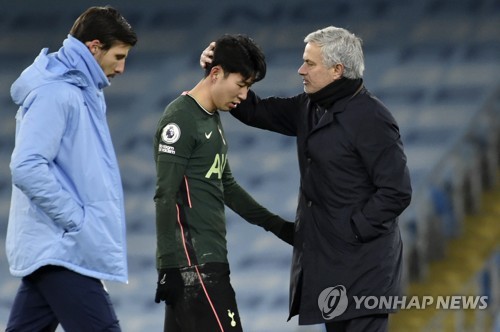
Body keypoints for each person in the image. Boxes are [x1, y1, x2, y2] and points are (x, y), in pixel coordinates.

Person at [201, 26, 412, 332]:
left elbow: (396, 191)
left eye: (310, 63)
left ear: (337, 69)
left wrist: (351, 230)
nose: (301, 70)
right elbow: (254, 110)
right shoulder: (309, 107)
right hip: (330, 267)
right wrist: (215, 68)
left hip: (366, 269)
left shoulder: (372, 118)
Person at [6, 6, 137, 331]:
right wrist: (77, 222)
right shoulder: (58, 93)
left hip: (58, 248)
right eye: (118, 56)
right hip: (63, 247)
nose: (121, 68)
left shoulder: (80, 91)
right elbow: (26, 166)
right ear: (94, 47)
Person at [153, 34, 294, 332]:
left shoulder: (210, 117)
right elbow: (165, 195)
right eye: (241, 85)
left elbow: (226, 185)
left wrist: (278, 226)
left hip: (208, 261)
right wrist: (167, 265)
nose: (244, 96)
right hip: (195, 267)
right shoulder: (180, 119)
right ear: (216, 73)